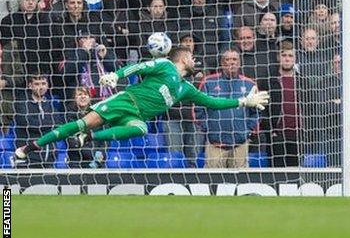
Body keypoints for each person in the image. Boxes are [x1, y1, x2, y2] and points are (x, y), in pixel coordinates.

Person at [14, 47, 269, 160]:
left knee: (141, 129)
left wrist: (244, 100)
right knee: (81, 122)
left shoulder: (186, 88)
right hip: (125, 101)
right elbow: (139, 65)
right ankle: (33, 145)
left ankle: (89, 138)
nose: (195, 61)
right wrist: (117, 75)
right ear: (181, 59)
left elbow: (213, 102)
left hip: (135, 115)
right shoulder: (166, 65)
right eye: (191, 57)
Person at [197, 48, 260, 168]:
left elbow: (257, 111)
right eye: (228, 59)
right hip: (215, 144)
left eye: (235, 59)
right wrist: (208, 128)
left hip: (240, 144)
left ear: (239, 62)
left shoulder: (249, 84)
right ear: (222, 63)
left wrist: (247, 130)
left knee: (240, 183)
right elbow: (198, 109)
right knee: (213, 182)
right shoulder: (208, 82)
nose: (231, 62)